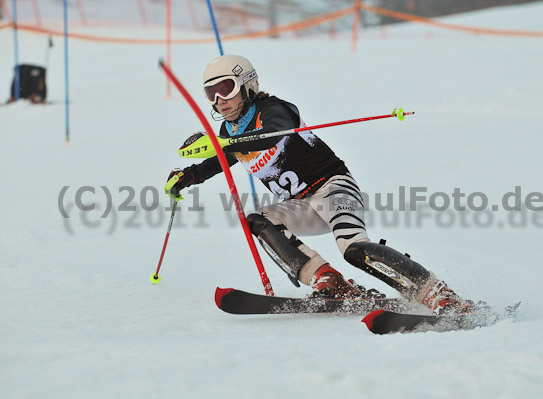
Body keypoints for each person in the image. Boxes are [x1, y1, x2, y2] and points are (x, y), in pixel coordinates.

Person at [165, 54, 473, 315]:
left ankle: (438, 293)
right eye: (211, 93)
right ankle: (328, 280)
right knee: (259, 219)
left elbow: (275, 132)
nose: (220, 100)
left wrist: (224, 142)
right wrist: (188, 176)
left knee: (353, 249)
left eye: (226, 89)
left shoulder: (273, 110)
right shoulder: (229, 131)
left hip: (333, 188)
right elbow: (220, 159)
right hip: (301, 206)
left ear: (248, 85)